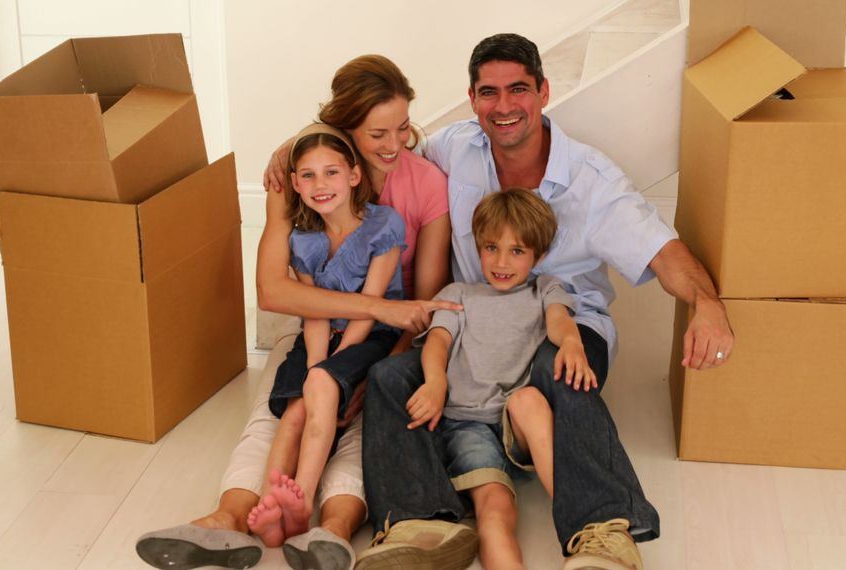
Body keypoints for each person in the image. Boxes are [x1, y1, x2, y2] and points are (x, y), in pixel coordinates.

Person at [355, 33, 735, 570]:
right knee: (391, 378)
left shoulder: (591, 180)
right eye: (489, 92)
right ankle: (420, 523)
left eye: (518, 90)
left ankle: (602, 530)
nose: (503, 106)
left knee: (558, 369)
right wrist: (303, 145)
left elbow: (662, 251)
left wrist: (708, 305)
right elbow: (380, 147)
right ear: (472, 98)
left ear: (543, 92)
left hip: (563, 327)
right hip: (478, 331)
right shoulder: (454, 147)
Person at [136, 55, 457, 570]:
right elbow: (274, 292)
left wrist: (384, 366)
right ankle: (232, 518)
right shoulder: (302, 175)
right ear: (344, 128)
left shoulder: (424, 186)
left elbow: (424, 299)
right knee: (279, 413)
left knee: (360, 422)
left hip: (392, 337)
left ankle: (329, 529)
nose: (394, 145)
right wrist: (338, 343)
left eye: (403, 128)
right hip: (318, 328)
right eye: (377, 133)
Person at [402, 187, 596, 570]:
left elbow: (559, 320)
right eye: (491, 248)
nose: (501, 261)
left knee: (528, 399)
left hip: (517, 422)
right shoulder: (459, 293)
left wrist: (572, 343)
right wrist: (435, 382)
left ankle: (581, 522)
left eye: (517, 251)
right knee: (493, 507)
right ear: (477, 248)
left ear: (538, 256)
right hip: (466, 424)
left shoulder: (545, 289)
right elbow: (437, 342)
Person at [247, 123, 405, 551]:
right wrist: (318, 363)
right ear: (295, 184)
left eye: (332, 172)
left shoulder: (383, 227)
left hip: (370, 333)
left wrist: (334, 371)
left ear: (354, 175)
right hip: (322, 332)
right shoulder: (305, 239)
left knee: (319, 384)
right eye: (309, 175)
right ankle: (272, 506)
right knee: (297, 406)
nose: (321, 185)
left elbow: (372, 307)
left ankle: (302, 495)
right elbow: (312, 309)